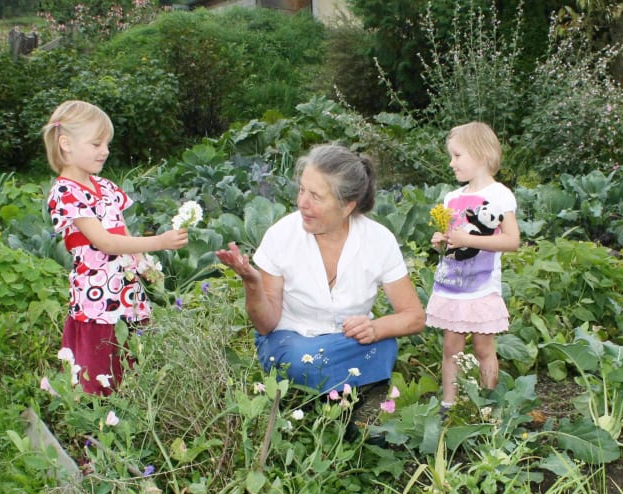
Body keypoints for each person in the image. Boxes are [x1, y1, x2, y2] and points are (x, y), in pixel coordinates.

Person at [214, 143, 425, 396]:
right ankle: (350, 394)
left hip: (348, 343)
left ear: (347, 206)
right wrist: (251, 281)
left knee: (384, 346)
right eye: (302, 190)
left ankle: (343, 400)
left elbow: (414, 316)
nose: (302, 202)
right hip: (291, 340)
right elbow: (265, 325)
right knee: (301, 360)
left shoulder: (379, 240)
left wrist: (375, 328)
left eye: (315, 196)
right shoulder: (280, 235)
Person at [42, 99, 189, 396]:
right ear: (66, 144)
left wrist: (145, 264)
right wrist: (159, 242)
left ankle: (131, 408)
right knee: (99, 358)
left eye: (107, 143)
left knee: (131, 351)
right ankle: (95, 418)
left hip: (125, 288)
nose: (105, 151)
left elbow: (121, 231)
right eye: (96, 143)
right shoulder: (65, 192)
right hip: (96, 292)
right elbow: (104, 241)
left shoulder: (106, 187)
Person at [426, 122, 520, 409]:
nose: (451, 163)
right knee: (450, 349)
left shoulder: (500, 194)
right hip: (453, 285)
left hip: (481, 287)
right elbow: (453, 239)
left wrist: (469, 239)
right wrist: (441, 240)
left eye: (457, 156)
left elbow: (512, 240)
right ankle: (449, 406)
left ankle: (486, 407)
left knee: (483, 349)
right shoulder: (452, 198)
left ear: (480, 154)